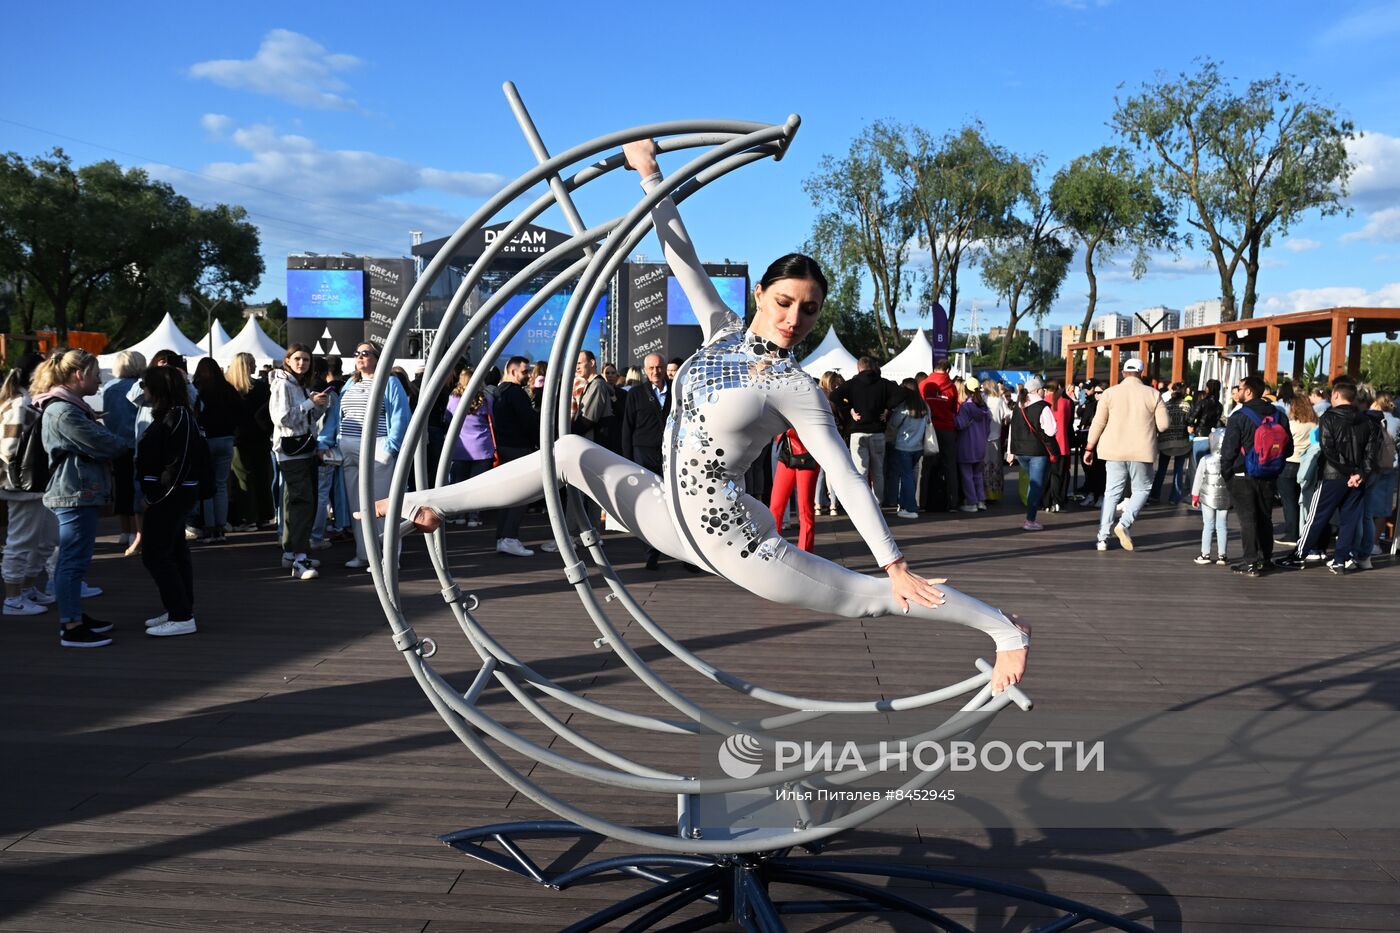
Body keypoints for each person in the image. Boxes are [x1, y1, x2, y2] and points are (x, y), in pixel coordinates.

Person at [375, 138, 1029, 693]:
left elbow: (845, 473)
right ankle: (426, 501)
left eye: (808, 310)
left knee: (875, 597)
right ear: (763, 296)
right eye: (783, 301)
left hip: (736, 541)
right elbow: (679, 254)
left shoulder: (793, 383)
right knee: (569, 452)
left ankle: (1003, 625)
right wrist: (650, 174)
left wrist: (892, 559)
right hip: (665, 514)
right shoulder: (719, 331)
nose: (794, 319)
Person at [33, 349, 128, 646]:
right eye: (96, 374)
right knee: (72, 561)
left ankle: (73, 615)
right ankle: (70, 625)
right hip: (73, 492)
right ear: (79, 375)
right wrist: (125, 443)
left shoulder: (66, 407)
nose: (100, 380)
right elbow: (103, 442)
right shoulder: (64, 411)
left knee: (73, 560)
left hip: (77, 490)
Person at [319, 342, 410, 570]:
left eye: (366, 353)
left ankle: (388, 558)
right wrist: (326, 441)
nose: (360, 357)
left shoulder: (389, 382)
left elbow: (400, 416)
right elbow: (336, 416)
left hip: (377, 447)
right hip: (349, 449)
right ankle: (364, 554)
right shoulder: (350, 383)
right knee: (358, 506)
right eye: (357, 353)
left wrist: (390, 447)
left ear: (378, 358)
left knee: (380, 506)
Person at [136, 365, 210, 637]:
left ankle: (181, 614)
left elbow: (175, 463)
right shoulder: (175, 415)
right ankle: (180, 609)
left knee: (156, 554)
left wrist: (154, 495)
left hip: (170, 496)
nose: (142, 390)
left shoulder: (177, 417)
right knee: (173, 551)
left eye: (145, 385)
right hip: (173, 494)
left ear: (157, 389)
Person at [1284, 382, 1378, 574]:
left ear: (1335, 395)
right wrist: (1360, 473)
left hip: (1332, 474)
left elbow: (1328, 449)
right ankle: (1340, 560)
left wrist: (1349, 471)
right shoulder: (1368, 421)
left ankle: (1299, 555)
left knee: (1316, 516)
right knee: (1350, 520)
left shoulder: (1329, 417)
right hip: (1357, 479)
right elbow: (1371, 454)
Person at [1084, 359, 1168, 551]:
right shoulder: (1153, 394)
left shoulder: (1109, 393)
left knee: (1111, 493)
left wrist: (1090, 448)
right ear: (1141, 373)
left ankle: (1102, 539)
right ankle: (1124, 523)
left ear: (1123, 373)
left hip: (1113, 450)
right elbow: (1163, 425)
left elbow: (1098, 423)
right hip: (1142, 450)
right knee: (1142, 489)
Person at [1217, 375, 1293, 576]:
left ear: (1248, 392)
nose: (1238, 392)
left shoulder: (1239, 417)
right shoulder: (1279, 415)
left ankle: (1250, 562)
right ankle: (1265, 559)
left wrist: (1226, 473)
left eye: (1240, 388)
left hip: (1242, 475)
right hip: (1269, 474)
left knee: (1248, 519)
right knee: (1265, 517)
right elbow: (1289, 448)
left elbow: (1229, 451)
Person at [0, 363, 59, 615]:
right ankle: (13, 597)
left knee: (43, 539)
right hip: (23, 485)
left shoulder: (20, 401)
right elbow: (8, 448)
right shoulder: (20, 404)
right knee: (22, 540)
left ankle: (25, 590)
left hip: (29, 484)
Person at [270, 345, 329, 580]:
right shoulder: (282, 383)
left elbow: (304, 418)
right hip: (291, 451)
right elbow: (281, 417)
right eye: (297, 358)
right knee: (302, 502)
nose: (302, 363)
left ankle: (291, 552)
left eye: (305, 359)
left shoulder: (299, 384)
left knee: (294, 501)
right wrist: (309, 404)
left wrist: (318, 406)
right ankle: (299, 557)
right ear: (287, 360)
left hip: (303, 449)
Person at [829, 357, 908, 502]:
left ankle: (864, 503)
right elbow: (902, 393)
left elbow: (834, 396)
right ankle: (878, 503)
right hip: (877, 431)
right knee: (878, 471)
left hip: (858, 431)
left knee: (861, 471)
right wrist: (887, 408)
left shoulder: (852, 383)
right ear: (872, 367)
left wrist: (849, 410)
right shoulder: (883, 383)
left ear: (858, 368)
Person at [621, 353, 673, 568]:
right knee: (650, 504)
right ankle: (651, 552)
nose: (655, 372)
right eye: (651, 368)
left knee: (674, 504)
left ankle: (685, 554)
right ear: (645, 369)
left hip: (671, 454)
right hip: (643, 454)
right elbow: (627, 428)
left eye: (659, 367)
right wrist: (627, 461)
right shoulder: (635, 394)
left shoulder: (677, 392)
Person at [491, 356, 541, 557]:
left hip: (503, 448)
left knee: (507, 496)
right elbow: (529, 422)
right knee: (522, 494)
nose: (528, 375)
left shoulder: (498, 392)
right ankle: (509, 537)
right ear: (513, 372)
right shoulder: (516, 394)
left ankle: (503, 537)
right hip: (518, 449)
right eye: (525, 371)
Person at [191, 357, 242, 544]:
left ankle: (209, 528)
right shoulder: (227, 389)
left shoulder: (197, 389)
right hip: (226, 439)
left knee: (206, 486)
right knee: (221, 485)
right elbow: (241, 412)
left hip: (206, 440)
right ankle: (221, 528)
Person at [226, 353, 275, 532]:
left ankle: (249, 517)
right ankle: (265, 515)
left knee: (243, 478)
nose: (255, 366)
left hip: (239, 440)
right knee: (263, 476)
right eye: (252, 363)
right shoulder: (262, 388)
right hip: (260, 438)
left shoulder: (230, 389)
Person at [101, 350, 145, 550]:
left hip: (116, 443)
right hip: (136, 444)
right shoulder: (140, 387)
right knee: (137, 488)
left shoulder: (109, 388)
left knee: (121, 487)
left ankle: (124, 530)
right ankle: (138, 532)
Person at [445, 367, 495, 529]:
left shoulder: (453, 399)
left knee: (458, 483)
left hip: (459, 448)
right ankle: (474, 516)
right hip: (482, 448)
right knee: (478, 485)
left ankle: (459, 515)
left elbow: (447, 419)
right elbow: (492, 420)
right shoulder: (485, 399)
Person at [1007, 377, 1058, 531]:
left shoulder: (1018, 406)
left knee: (1033, 482)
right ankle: (1030, 519)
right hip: (1037, 452)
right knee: (1036, 485)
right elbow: (1051, 430)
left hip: (1020, 451)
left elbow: (1012, 430)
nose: (1045, 391)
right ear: (1037, 390)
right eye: (1043, 388)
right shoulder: (1043, 407)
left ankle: (1031, 515)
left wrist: (1009, 452)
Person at [1276, 394, 1318, 547]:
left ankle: (1292, 533)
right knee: (1306, 500)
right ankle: (1305, 529)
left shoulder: (1291, 424)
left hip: (1288, 463)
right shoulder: (1315, 424)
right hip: (1308, 464)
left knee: (1289, 501)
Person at [918, 358, 959, 512]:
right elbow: (954, 409)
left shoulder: (923, 385)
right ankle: (953, 503)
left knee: (926, 467)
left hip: (929, 429)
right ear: (948, 370)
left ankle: (922, 503)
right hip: (947, 429)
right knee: (950, 467)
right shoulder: (952, 388)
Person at [888, 379, 929, 519]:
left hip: (904, 446)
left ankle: (910, 508)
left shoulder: (904, 407)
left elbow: (894, 423)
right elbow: (929, 422)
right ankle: (905, 505)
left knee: (906, 477)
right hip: (918, 447)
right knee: (910, 476)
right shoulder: (924, 406)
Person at [1191, 428, 1231, 565]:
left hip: (1207, 497)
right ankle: (1222, 556)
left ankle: (1205, 554)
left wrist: (1195, 496)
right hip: (1225, 497)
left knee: (1208, 525)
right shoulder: (1231, 460)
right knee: (1222, 525)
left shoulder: (1205, 459)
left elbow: (1198, 479)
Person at [1150, 384, 1192, 505]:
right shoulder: (1186, 405)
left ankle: (1155, 494)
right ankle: (1175, 497)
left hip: (1165, 441)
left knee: (1161, 470)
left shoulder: (1166, 405)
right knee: (1178, 471)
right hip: (1182, 442)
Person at [953, 379, 990, 513]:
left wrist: (951, 415)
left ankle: (971, 502)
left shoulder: (966, 407)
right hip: (980, 446)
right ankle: (981, 501)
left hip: (966, 445)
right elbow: (988, 429)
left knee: (966, 475)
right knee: (978, 475)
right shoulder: (984, 407)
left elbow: (959, 424)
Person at [814, 371, 848, 516]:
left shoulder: (817, 395)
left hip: (820, 437)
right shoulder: (833, 398)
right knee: (831, 472)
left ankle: (818, 503)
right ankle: (833, 503)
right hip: (834, 436)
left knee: (820, 473)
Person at [1044, 380, 1074, 512]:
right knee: (1060, 474)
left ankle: (1046, 502)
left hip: (1046, 444)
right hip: (1061, 443)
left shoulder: (1043, 401)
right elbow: (1067, 422)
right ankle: (1058, 501)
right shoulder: (1066, 402)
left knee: (1047, 475)